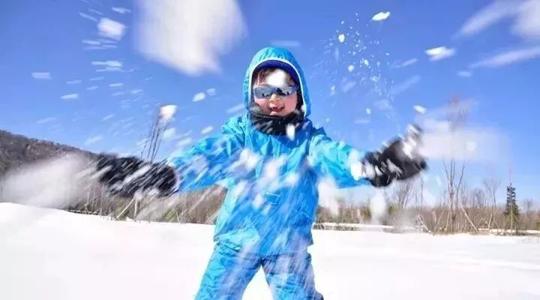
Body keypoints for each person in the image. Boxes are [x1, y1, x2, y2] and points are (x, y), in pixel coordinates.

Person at [96, 47, 426, 300]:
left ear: (300, 94)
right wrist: (165, 175)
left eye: (283, 89)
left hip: (288, 247)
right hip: (236, 241)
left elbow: (335, 158)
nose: (273, 99)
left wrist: (371, 166)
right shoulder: (240, 136)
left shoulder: (309, 141)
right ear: (251, 95)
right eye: (264, 91)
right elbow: (209, 157)